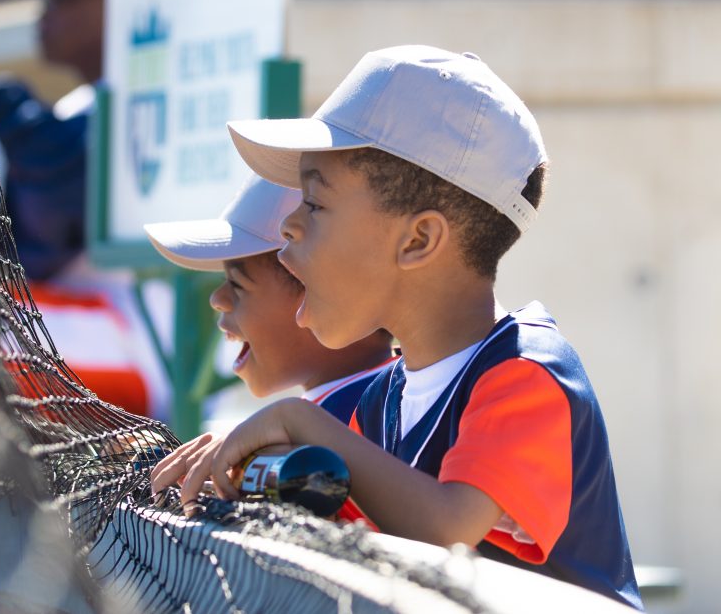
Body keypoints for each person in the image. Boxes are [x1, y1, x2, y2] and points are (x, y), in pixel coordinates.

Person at [151, 45, 642, 609]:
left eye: (314, 203)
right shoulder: (384, 397)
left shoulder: (527, 373)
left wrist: (296, 420)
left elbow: (444, 530)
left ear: (418, 241)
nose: (286, 225)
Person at [0, 0, 174, 419]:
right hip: (85, 328)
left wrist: (1, 110)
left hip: (150, 355)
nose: (44, 12)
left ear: (124, 3)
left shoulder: (160, 100)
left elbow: (53, 227)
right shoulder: (81, 106)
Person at [144, 175, 396, 423]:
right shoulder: (369, 408)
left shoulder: (375, 419)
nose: (217, 299)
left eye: (238, 283)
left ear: (323, 293)